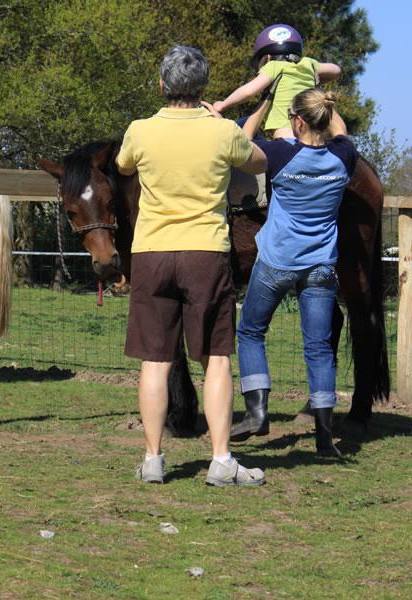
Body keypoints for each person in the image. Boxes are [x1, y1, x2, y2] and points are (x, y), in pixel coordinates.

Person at [116, 45, 268, 486]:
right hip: (206, 253)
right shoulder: (221, 132)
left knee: (154, 359)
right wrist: (222, 122)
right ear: (203, 88)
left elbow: (124, 164)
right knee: (216, 358)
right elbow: (258, 160)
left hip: (152, 253)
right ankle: (221, 461)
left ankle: (152, 459)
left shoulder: (140, 130)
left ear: (162, 85)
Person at [231, 89, 356, 457]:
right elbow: (341, 130)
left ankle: (257, 412)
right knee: (318, 348)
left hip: (276, 264)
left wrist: (264, 104)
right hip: (320, 266)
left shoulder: (280, 154)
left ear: (298, 121)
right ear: (324, 116)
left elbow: (240, 146)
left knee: (251, 332)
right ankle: (323, 437)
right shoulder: (344, 157)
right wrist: (326, 104)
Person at [213, 24, 341, 139]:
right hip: (311, 135)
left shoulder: (273, 66)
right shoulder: (308, 63)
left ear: (267, 57)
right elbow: (336, 70)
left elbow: (248, 91)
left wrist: (223, 104)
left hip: (287, 134)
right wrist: (316, 76)